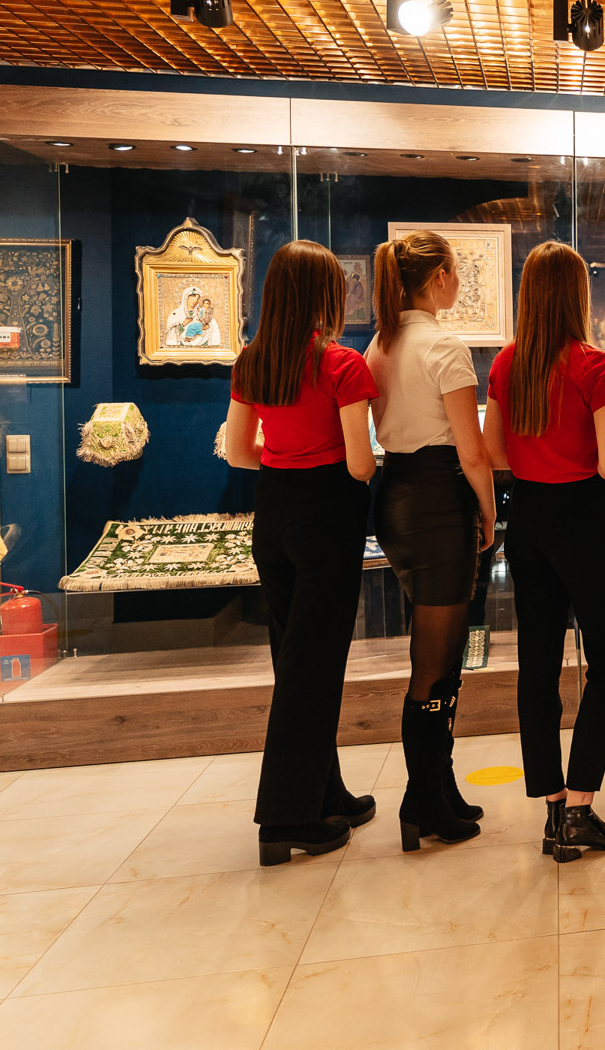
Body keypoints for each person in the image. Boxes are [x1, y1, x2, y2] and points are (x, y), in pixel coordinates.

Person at [223, 241, 379, 866]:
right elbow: (360, 463)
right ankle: (285, 818)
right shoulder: (341, 364)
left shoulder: (252, 360)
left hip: (274, 510)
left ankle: (323, 792)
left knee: (296, 659)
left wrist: (286, 457)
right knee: (314, 667)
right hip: (326, 514)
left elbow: (239, 452)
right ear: (326, 295)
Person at [483, 241, 605, 861]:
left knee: (538, 663)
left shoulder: (507, 363)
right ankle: (579, 805)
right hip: (585, 514)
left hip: (530, 516)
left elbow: (495, 452)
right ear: (578, 295)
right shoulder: (595, 366)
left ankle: (551, 805)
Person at [365, 230, 498, 852]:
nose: (458, 282)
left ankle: (438, 786)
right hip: (439, 501)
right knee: (435, 662)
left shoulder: (381, 342)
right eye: (455, 272)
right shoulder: (444, 345)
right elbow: (472, 451)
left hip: (396, 493)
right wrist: (489, 512)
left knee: (439, 658)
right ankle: (421, 802)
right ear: (439, 278)